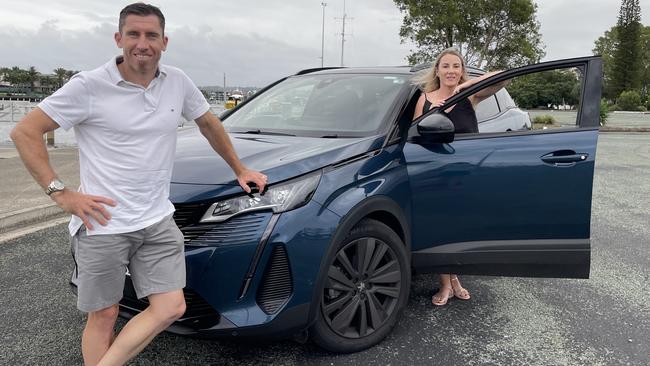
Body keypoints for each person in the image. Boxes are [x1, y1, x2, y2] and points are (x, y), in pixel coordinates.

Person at [10, 3, 266, 365]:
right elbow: (25, 131)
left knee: (171, 306)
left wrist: (240, 169)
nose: (142, 43)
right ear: (119, 38)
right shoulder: (89, 85)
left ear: (165, 41)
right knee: (104, 316)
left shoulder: (177, 81)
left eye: (151, 35)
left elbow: (209, 123)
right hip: (103, 224)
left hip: (157, 219)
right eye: (133, 34)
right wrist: (60, 192)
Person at [411, 48, 506, 306]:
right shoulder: (425, 99)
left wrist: (466, 85)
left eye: (456, 66)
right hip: (437, 171)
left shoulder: (470, 95)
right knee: (441, 227)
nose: (451, 71)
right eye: (446, 66)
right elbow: (415, 135)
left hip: (467, 171)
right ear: (437, 70)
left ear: (462, 70)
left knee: (459, 227)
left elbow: (503, 77)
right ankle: (446, 283)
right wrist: (434, 113)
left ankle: (454, 278)